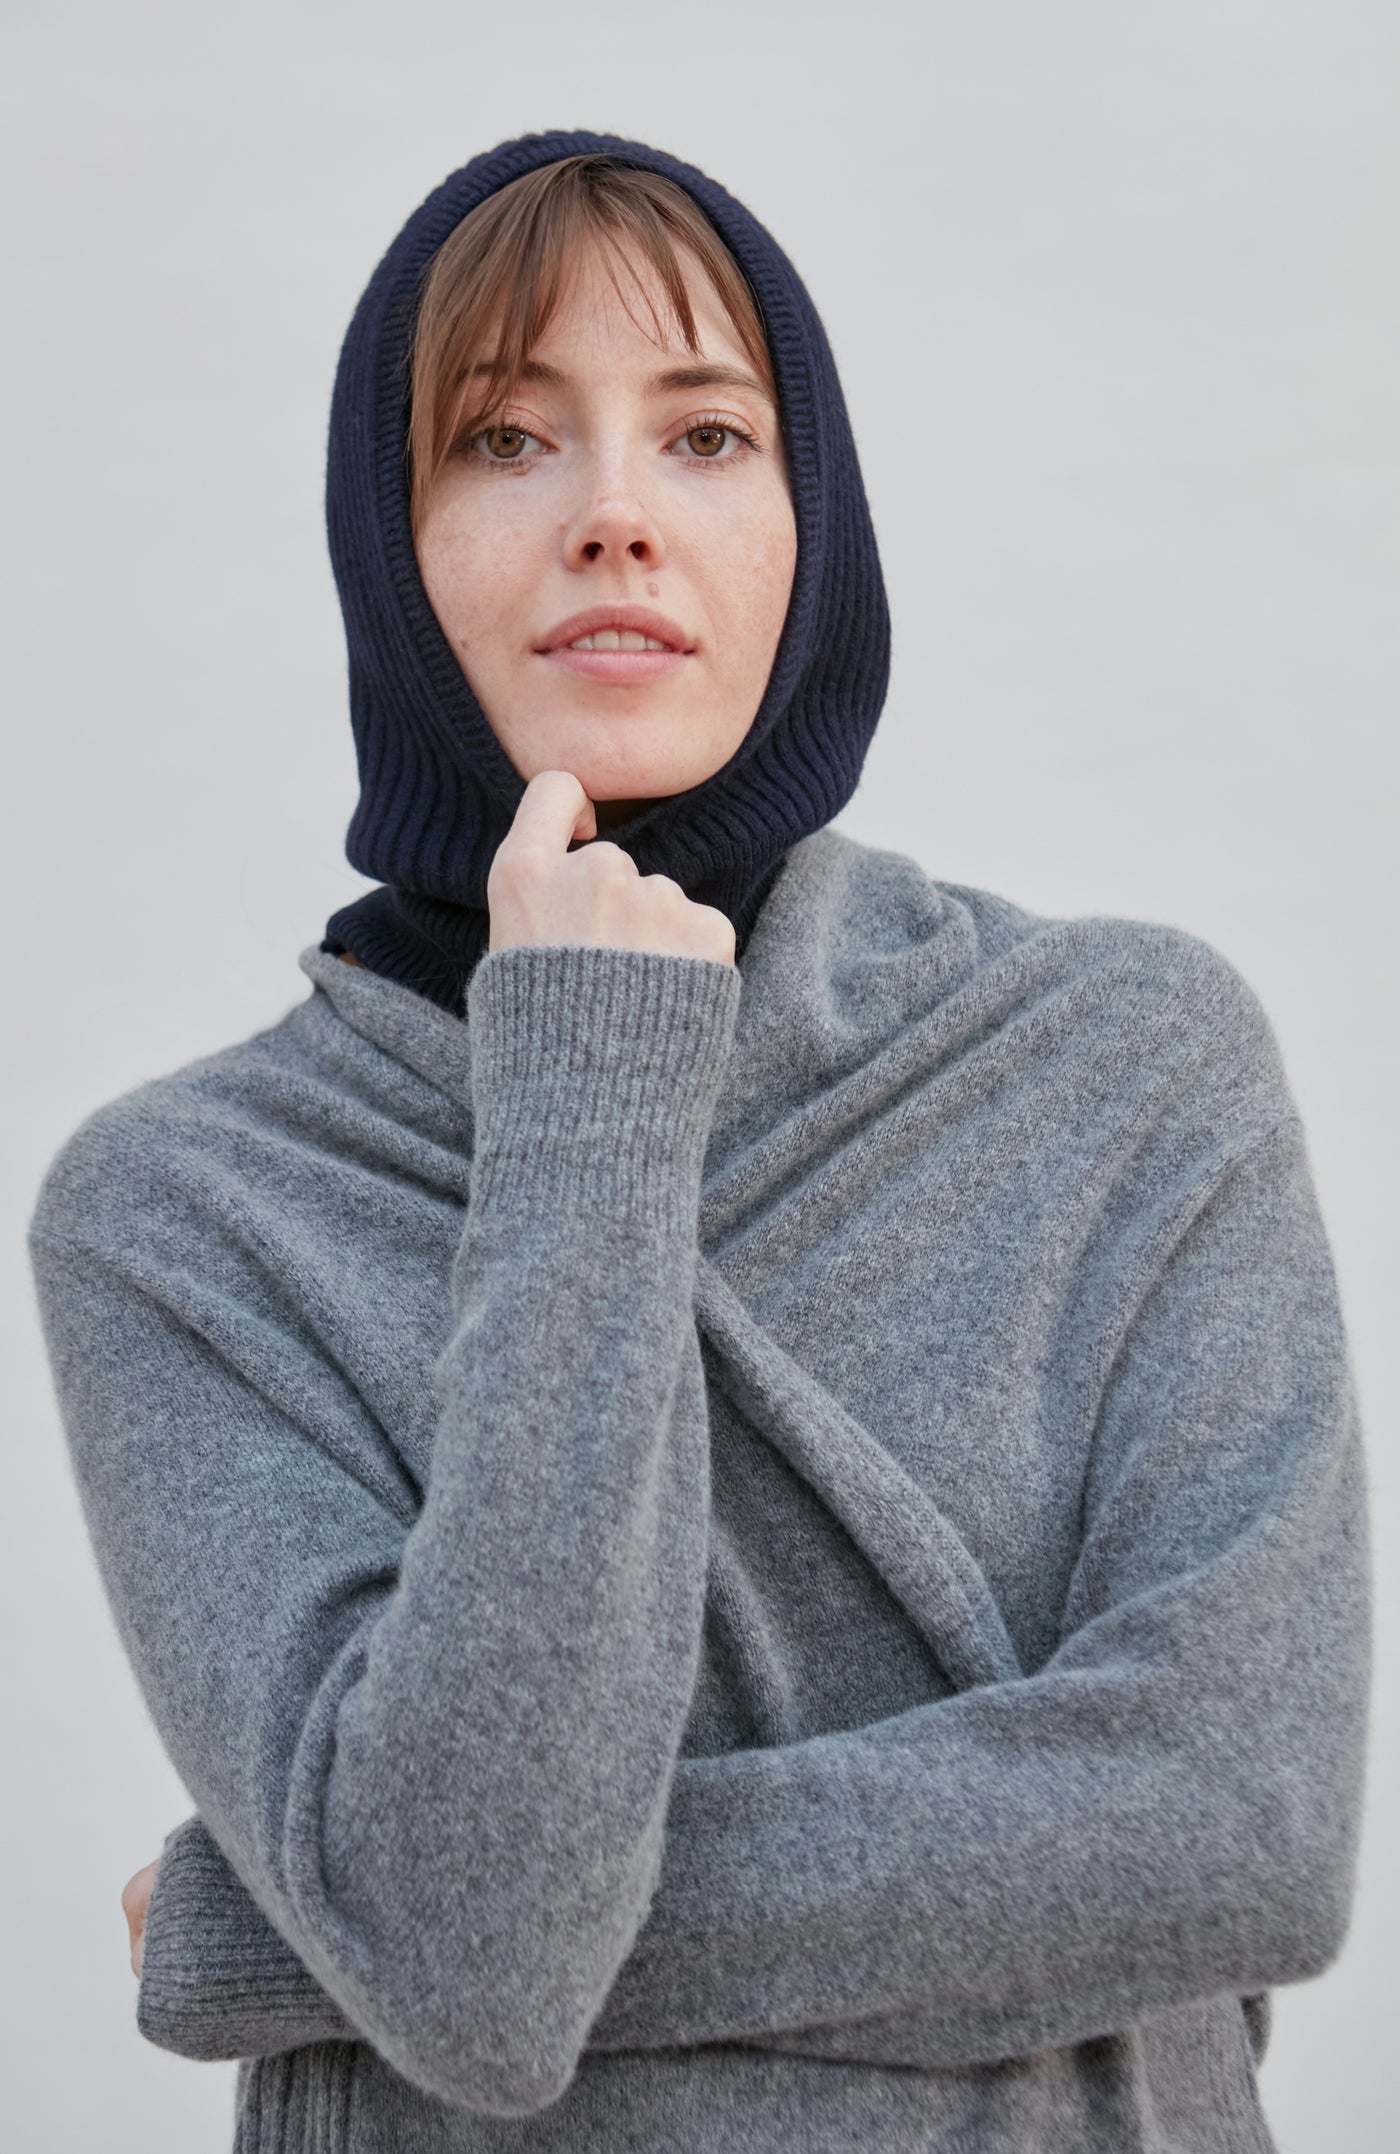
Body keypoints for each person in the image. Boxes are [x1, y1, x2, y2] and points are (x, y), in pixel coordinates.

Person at [30, 131, 1370, 2154]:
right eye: (502, 439)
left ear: (806, 525)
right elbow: (476, 1967)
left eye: (709, 437)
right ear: (385, 542)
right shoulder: (186, 1212)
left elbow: (1235, 1831)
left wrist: (290, 1928)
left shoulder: (1121, 1058)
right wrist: (582, 1087)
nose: (614, 520)